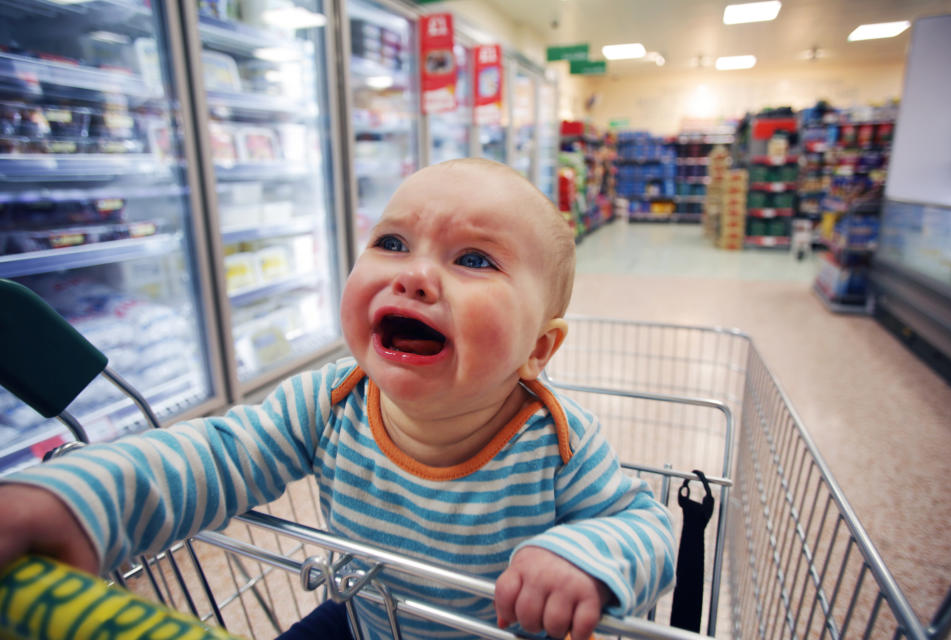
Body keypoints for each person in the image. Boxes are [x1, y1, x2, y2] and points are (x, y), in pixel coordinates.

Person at [0, 158, 676, 640]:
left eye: (474, 259)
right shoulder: (329, 401)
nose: (414, 274)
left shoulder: (557, 440)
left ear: (539, 350)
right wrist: (73, 498)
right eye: (391, 242)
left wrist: (582, 556)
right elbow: (213, 455)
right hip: (363, 619)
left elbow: (643, 525)